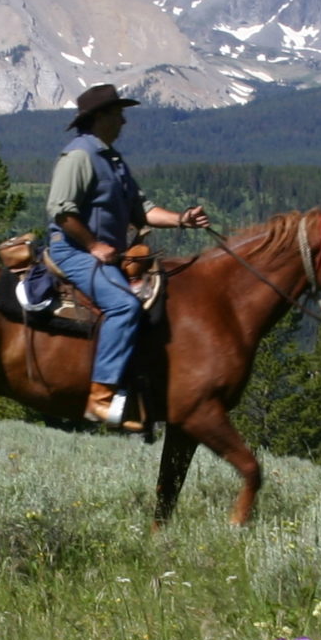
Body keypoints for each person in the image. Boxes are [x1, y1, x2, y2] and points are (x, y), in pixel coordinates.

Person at [46, 83, 207, 429]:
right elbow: (61, 211)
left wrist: (182, 219)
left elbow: (143, 210)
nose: (124, 121)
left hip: (103, 254)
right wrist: (93, 245)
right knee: (124, 305)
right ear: (100, 117)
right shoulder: (79, 156)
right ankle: (101, 398)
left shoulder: (113, 160)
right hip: (72, 250)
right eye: (118, 114)